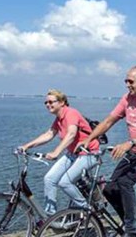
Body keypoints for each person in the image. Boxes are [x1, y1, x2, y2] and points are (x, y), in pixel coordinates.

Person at [77, 64, 136, 237]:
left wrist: (130, 143)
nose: (127, 84)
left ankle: (132, 233)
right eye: (125, 80)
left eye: (130, 81)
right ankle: (130, 223)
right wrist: (89, 139)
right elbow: (109, 121)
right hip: (133, 153)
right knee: (109, 189)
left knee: (125, 182)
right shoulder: (127, 99)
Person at [19, 89, 100, 217]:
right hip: (73, 154)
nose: (47, 104)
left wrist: (56, 152)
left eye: (51, 101)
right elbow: (49, 134)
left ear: (62, 102)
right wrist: (26, 146)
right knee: (49, 179)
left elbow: (71, 134)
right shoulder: (59, 119)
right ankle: (51, 218)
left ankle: (88, 210)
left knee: (65, 182)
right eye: (46, 102)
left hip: (89, 154)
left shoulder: (71, 113)